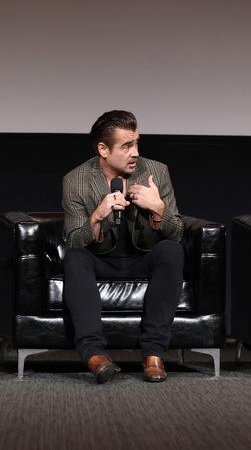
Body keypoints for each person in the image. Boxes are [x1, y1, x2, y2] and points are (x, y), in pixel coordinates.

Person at [62, 110, 184, 383]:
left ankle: (153, 355)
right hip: (99, 260)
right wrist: (97, 216)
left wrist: (158, 209)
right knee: (75, 258)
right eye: (127, 146)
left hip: (143, 258)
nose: (135, 152)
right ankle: (95, 356)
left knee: (171, 251)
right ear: (103, 149)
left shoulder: (156, 172)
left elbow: (176, 233)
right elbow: (73, 241)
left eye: (137, 143)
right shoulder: (76, 179)